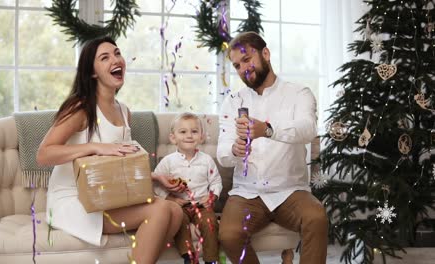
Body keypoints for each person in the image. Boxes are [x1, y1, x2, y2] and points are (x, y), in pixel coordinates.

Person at [36, 36, 184, 264]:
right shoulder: (81, 109)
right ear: (93, 72)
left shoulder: (124, 111)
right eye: (104, 57)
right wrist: (95, 147)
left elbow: (120, 164)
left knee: (175, 211)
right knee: (161, 211)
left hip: (106, 196)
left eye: (117, 53)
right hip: (75, 201)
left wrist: (155, 177)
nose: (116, 60)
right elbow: (44, 154)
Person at [216, 31, 328, 264]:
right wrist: (235, 150)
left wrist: (268, 129)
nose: (243, 69)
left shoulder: (299, 93)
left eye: (247, 59)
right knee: (228, 234)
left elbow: (308, 129)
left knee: (316, 217)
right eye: (237, 65)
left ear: (265, 54)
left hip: (290, 191)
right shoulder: (233, 101)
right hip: (247, 192)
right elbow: (222, 154)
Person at [153, 112, 223, 264]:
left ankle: (212, 259)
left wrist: (212, 196)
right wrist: (170, 199)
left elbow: (216, 181)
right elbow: (156, 185)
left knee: (210, 222)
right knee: (179, 221)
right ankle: (189, 256)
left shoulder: (207, 160)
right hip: (180, 206)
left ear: (201, 137)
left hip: (201, 206)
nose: (189, 136)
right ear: (173, 138)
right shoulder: (168, 162)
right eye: (183, 132)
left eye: (194, 131)